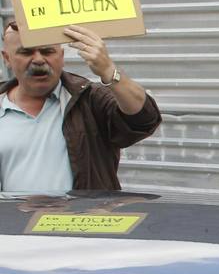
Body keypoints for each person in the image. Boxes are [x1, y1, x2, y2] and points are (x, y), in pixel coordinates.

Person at [1, 20, 161, 192]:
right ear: (7, 58)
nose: (39, 59)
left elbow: (144, 120)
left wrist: (108, 70)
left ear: (61, 56)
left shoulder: (90, 100)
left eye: (48, 51)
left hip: (81, 218)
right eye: (26, 52)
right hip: (13, 219)